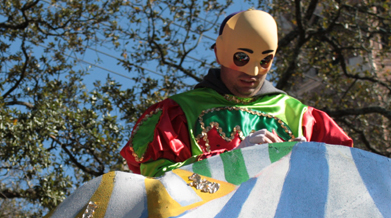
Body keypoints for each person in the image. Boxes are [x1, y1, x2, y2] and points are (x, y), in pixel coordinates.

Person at [121, 9, 353, 177]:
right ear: (220, 53)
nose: (252, 72)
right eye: (241, 58)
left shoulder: (305, 119)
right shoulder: (176, 114)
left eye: (264, 61)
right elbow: (155, 184)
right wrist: (233, 161)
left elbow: (346, 180)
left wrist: (315, 162)